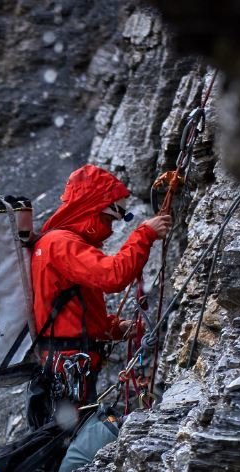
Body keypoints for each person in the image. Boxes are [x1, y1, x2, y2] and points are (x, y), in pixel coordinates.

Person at [28, 164, 172, 429]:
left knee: (68, 432)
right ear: (94, 208)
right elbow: (112, 276)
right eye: (109, 219)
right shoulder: (61, 243)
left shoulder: (55, 242)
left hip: (65, 363)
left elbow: (73, 308)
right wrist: (145, 234)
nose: (110, 228)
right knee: (72, 436)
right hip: (70, 365)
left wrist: (113, 328)